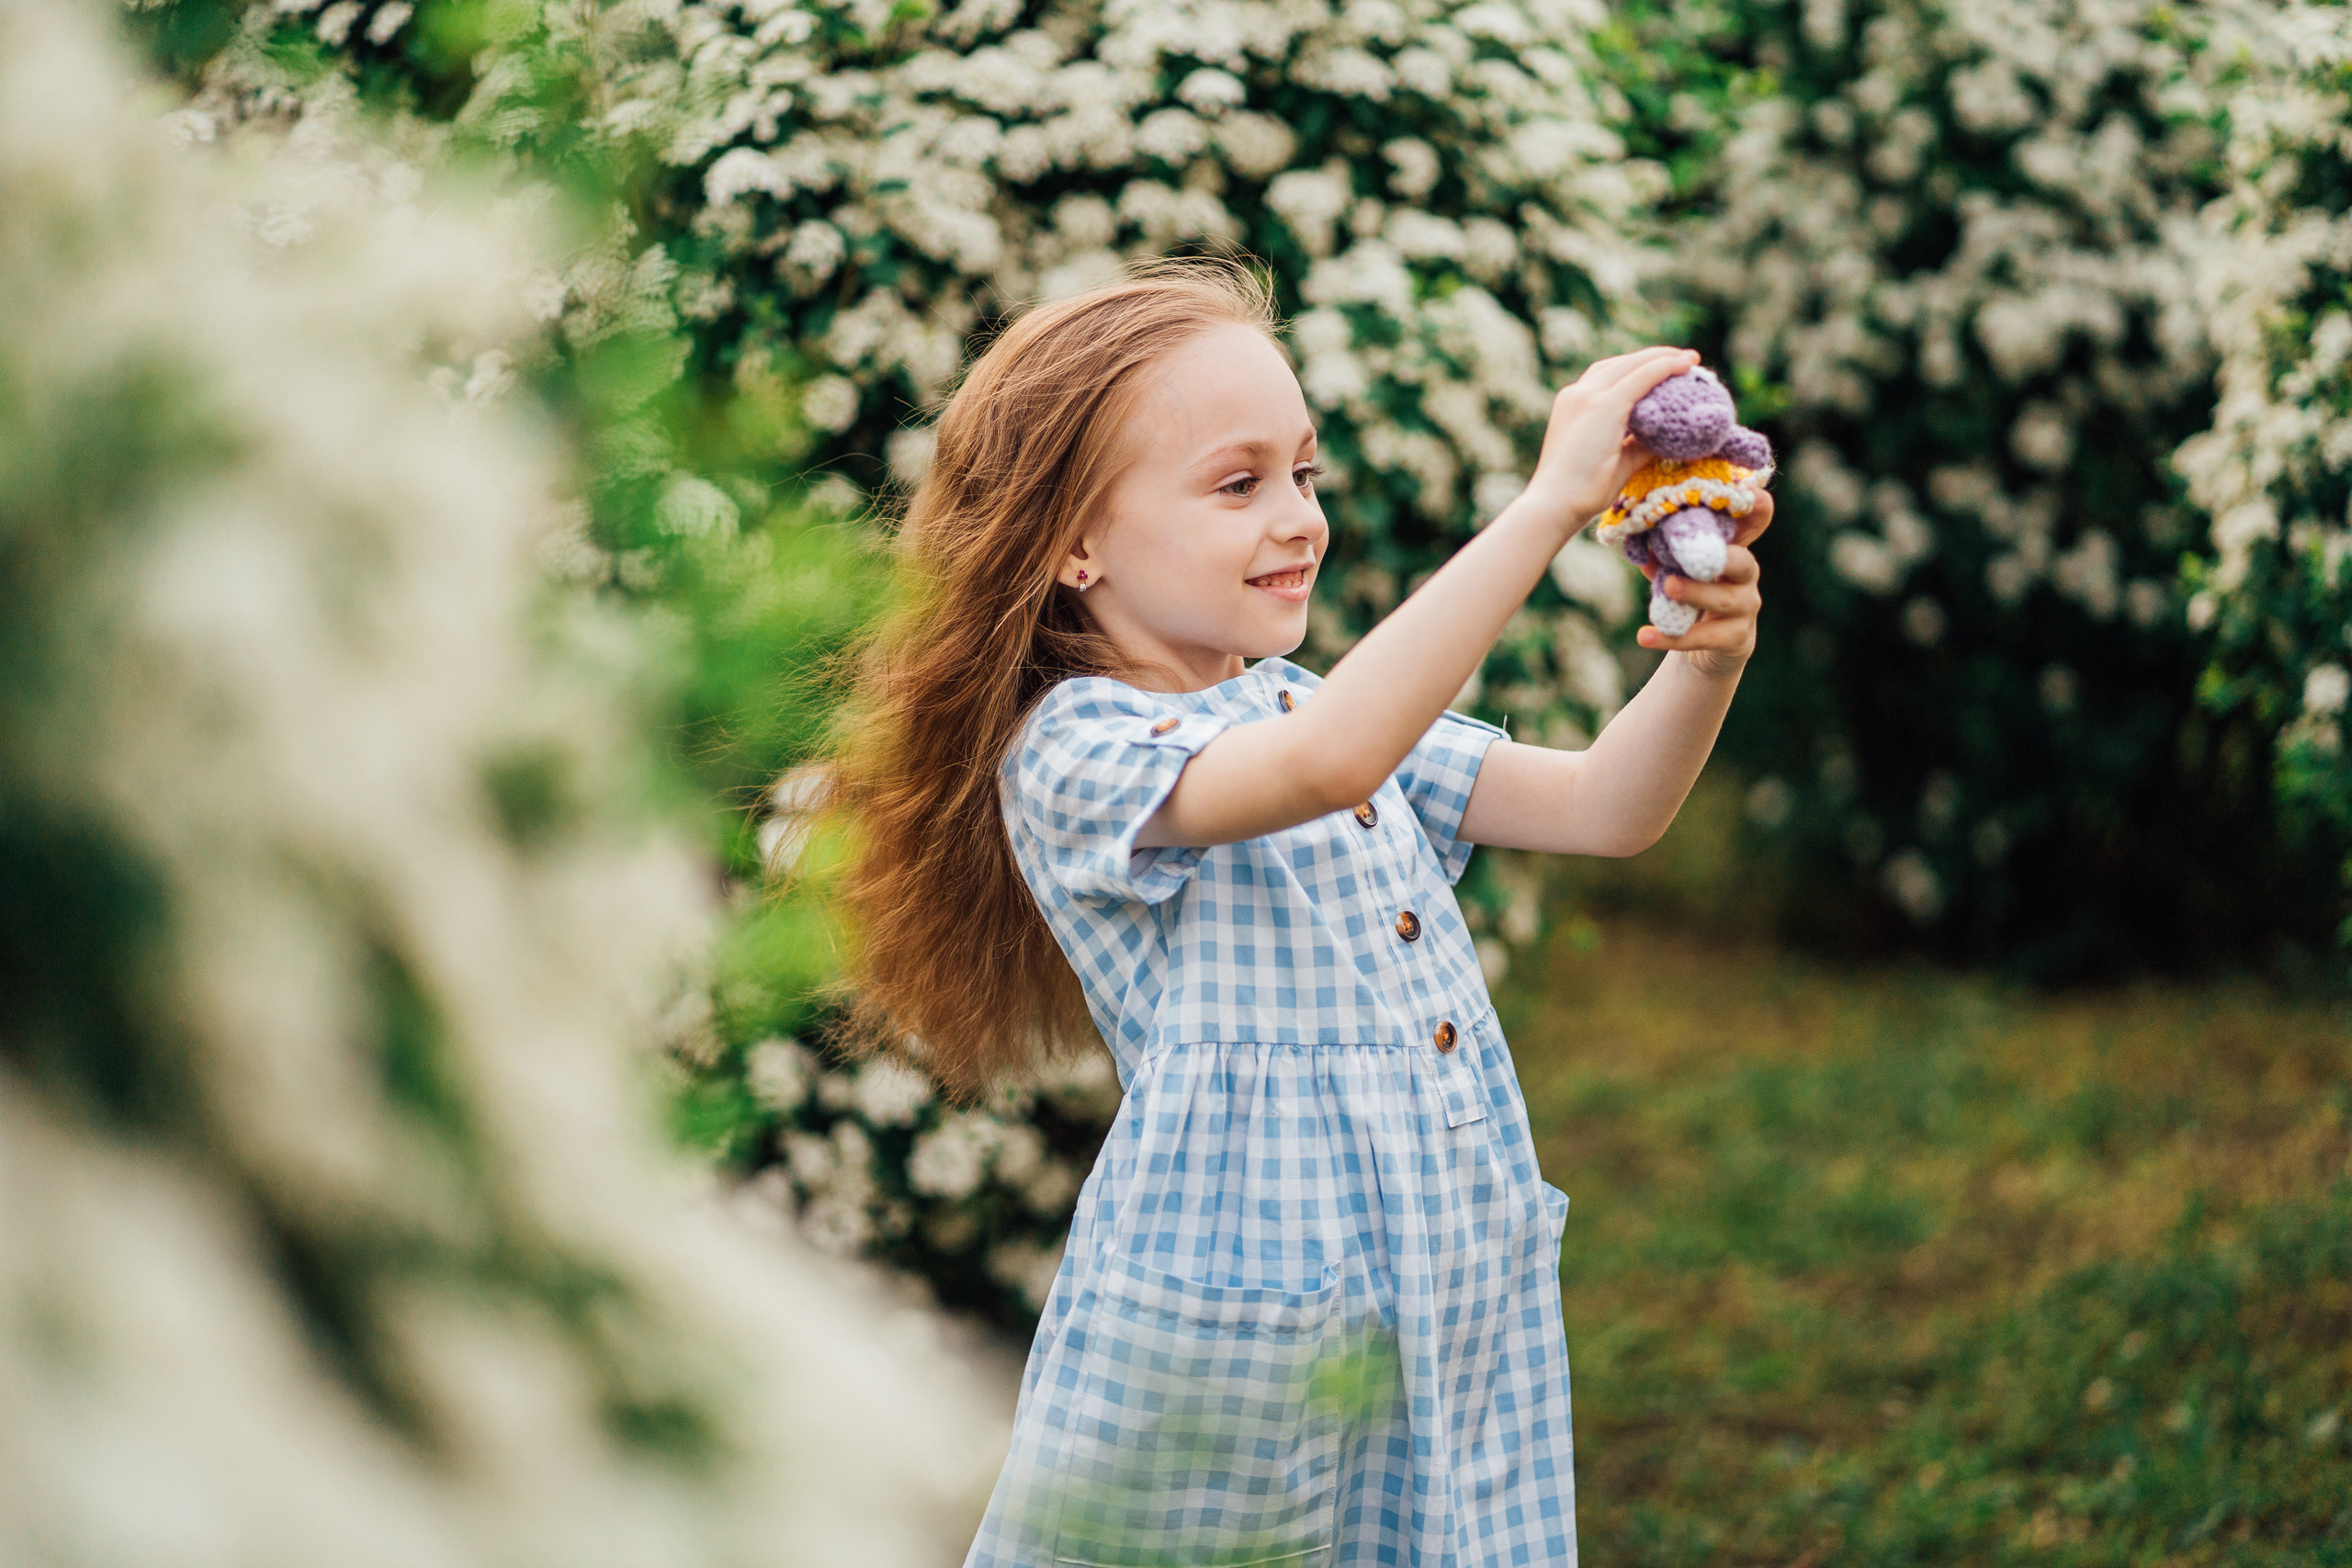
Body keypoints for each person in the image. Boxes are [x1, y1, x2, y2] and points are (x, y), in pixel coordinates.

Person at [828, 260, 1770, 1568]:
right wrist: (1548, 505)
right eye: (1239, 482)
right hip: (1239, 1327)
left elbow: (1610, 807)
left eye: (1305, 475)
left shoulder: (1295, 703)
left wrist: (1704, 654)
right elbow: (1330, 762)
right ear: (1073, 546)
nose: (1299, 519)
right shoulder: (1076, 748)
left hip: (1433, 1278)